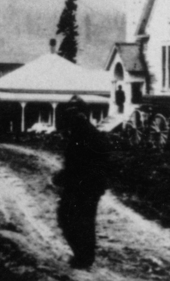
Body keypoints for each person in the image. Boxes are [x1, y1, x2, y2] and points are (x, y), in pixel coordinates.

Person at [53, 96, 110, 269]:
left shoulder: (83, 134)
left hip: (82, 186)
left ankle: (83, 258)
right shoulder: (88, 133)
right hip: (90, 185)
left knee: (69, 218)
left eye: (74, 113)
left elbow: (79, 164)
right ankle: (84, 257)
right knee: (83, 220)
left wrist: (62, 177)